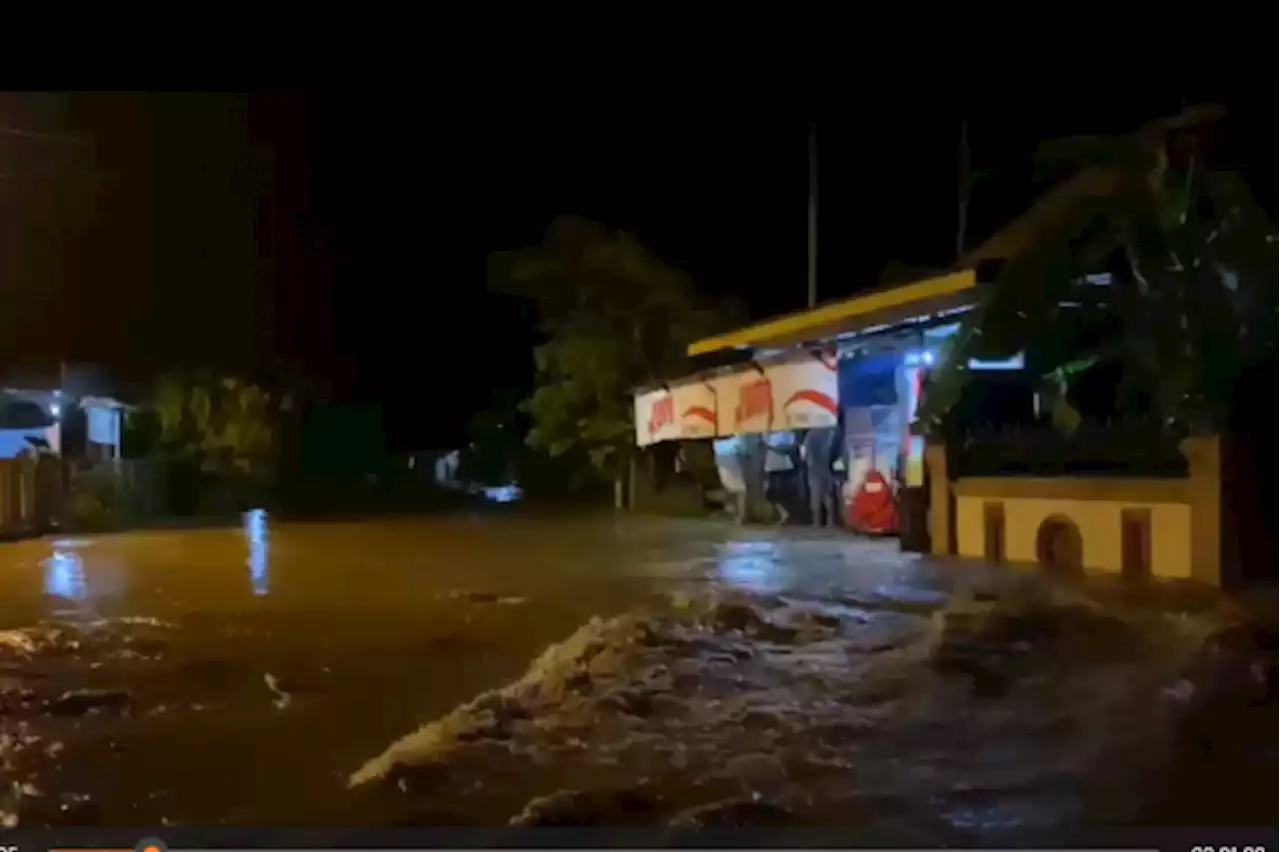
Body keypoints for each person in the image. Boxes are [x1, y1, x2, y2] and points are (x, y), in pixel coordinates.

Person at [803, 426, 837, 528]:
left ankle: (816, 522)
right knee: (827, 495)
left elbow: (805, 453)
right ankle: (830, 521)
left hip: (814, 469)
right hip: (826, 467)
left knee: (815, 495)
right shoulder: (829, 432)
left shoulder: (810, 434)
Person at [764, 432, 796, 525]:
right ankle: (782, 514)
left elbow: (790, 448)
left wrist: (773, 448)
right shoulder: (767, 433)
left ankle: (785, 514)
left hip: (784, 466)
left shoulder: (788, 433)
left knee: (782, 492)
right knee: (772, 493)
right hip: (772, 467)